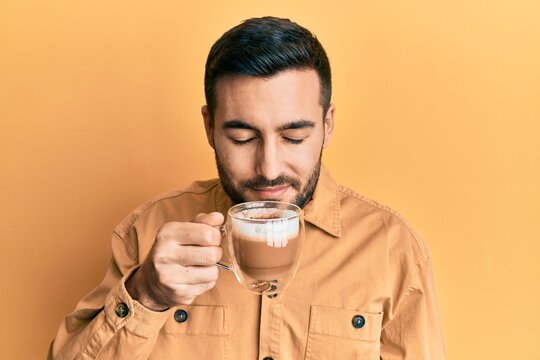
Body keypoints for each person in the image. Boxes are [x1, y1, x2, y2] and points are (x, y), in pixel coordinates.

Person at [48, 16, 445, 359]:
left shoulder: (392, 249)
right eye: (242, 137)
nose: (268, 169)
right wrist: (146, 294)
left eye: (293, 137)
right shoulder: (148, 229)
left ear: (327, 125)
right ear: (209, 127)